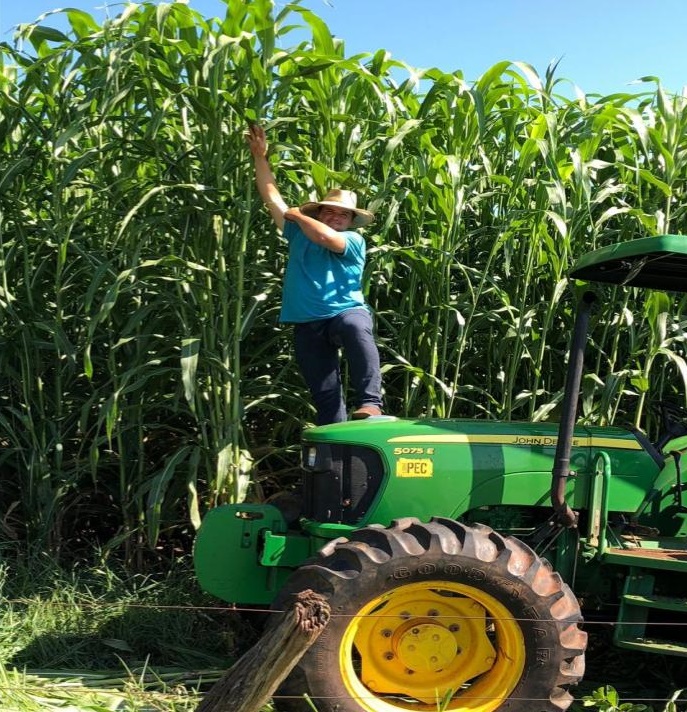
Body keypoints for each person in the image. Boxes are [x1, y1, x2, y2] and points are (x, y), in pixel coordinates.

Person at [245, 124, 383, 425]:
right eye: (329, 211)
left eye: (343, 214)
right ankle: (335, 447)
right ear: (319, 213)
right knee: (325, 394)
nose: (336, 217)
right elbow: (271, 195)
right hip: (307, 322)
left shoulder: (353, 241)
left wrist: (295, 214)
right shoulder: (297, 234)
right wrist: (260, 158)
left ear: (351, 221)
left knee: (355, 328)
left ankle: (371, 404)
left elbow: (325, 239)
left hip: (344, 313)